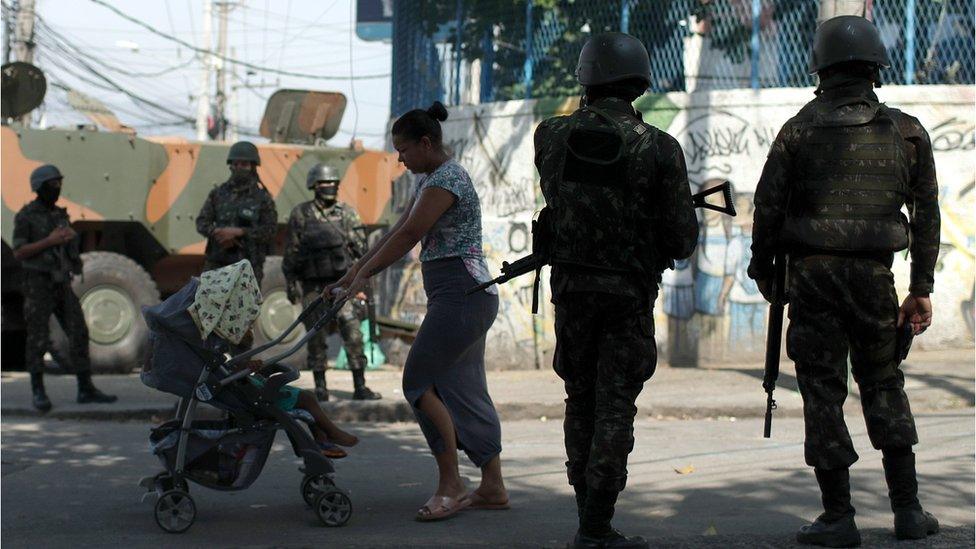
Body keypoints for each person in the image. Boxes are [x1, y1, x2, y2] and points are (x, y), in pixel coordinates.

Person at [748, 16, 941, 547]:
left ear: (822, 69)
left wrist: (766, 272)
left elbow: (767, 212)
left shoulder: (797, 131)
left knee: (822, 393)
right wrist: (920, 287)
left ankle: (838, 517)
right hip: (875, 280)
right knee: (883, 385)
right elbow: (927, 215)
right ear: (876, 67)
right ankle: (907, 511)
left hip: (812, 279)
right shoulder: (906, 132)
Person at [534, 32, 698, 548]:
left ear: (585, 78)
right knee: (614, 408)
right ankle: (596, 525)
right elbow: (682, 240)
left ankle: (588, 517)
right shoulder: (660, 148)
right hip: (628, 296)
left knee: (579, 399)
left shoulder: (549, 135)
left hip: (573, 292)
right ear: (639, 83)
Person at [326, 101, 508, 522]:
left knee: (417, 382)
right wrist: (356, 272)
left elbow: (411, 233)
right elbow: (397, 229)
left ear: (426, 143)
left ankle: (451, 484)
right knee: (463, 388)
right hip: (463, 293)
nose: (400, 159)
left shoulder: (447, 179)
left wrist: (364, 275)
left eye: (403, 150)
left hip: (461, 292)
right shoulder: (430, 179)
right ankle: (493, 486)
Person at [189, 260, 359, 459]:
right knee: (306, 399)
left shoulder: (206, 338)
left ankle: (323, 440)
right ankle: (329, 435)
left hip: (238, 387)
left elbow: (223, 366)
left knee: (303, 400)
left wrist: (245, 366)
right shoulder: (214, 340)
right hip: (245, 393)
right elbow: (223, 368)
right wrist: (244, 367)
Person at [12, 164, 118, 411]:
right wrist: (49, 241)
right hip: (38, 283)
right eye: (52, 184)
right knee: (38, 338)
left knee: (79, 332)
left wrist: (72, 250)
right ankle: (38, 391)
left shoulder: (60, 215)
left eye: (59, 183)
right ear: (39, 187)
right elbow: (19, 252)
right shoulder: (26, 216)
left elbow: (66, 248)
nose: (57, 189)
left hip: (62, 282)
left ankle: (85, 388)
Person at [282, 163, 381, 401]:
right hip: (312, 286)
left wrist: (362, 286)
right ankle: (320, 388)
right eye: (324, 184)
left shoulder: (347, 213)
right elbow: (292, 252)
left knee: (353, 332)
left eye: (333, 184)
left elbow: (361, 253)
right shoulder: (301, 214)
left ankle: (360, 386)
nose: (329, 187)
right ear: (314, 186)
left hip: (342, 286)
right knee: (315, 338)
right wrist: (290, 283)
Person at [195, 141, 277, 285]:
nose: (239, 168)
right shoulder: (218, 194)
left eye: (244, 164)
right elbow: (201, 222)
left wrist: (240, 232)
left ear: (252, 167)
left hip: (248, 267)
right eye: (236, 164)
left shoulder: (263, 198)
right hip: (217, 264)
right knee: (210, 305)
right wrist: (219, 233)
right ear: (231, 166)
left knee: (243, 307)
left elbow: (270, 230)